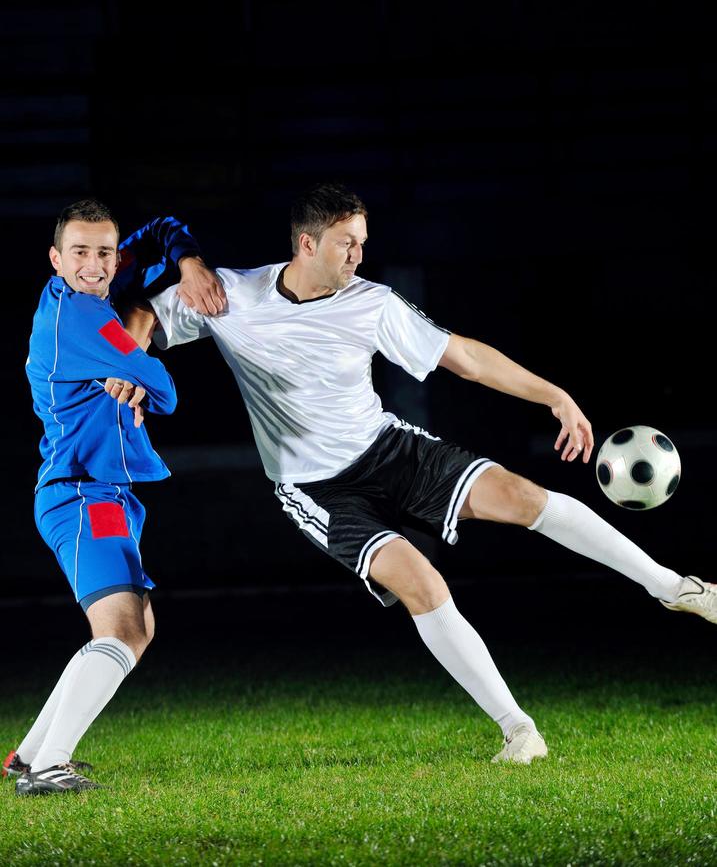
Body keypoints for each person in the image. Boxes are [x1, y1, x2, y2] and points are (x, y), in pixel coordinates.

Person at [137, 182, 716, 764]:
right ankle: (520, 731)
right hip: (317, 487)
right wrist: (131, 366)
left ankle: (674, 587)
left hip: (388, 449)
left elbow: (464, 357)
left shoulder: (372, 302)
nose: (359, 256)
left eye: (362, 243)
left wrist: (554, 396)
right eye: (347, 244)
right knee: (424, 586)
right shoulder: (230, 296)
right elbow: (137, 321)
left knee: (523, 496)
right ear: (307, 244)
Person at [4, 199, 225, 796]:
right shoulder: (80, 316)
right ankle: (50, 768)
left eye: (105, 252)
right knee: (121, 629)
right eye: (80, 253)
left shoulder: (95, 283)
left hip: (101, 492)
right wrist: (135, 342)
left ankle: (28, 756)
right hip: (82, 494)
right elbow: (167, 390)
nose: (96, 264)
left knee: (137, 625)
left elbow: (161, 229)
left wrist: (186, 261)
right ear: (55, 259)